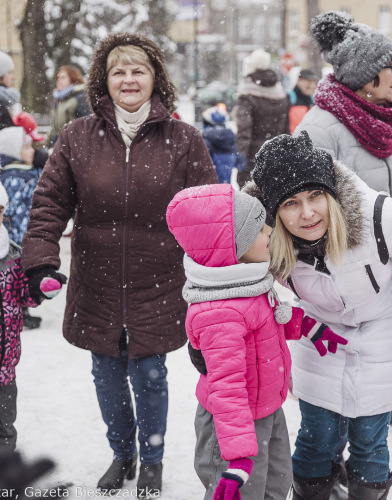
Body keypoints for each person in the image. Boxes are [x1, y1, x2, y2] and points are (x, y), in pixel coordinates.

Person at [20, 32, 217, 496]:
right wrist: (41, 260)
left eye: (138, 70)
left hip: (159, 278)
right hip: (98, 277)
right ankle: (121, 452)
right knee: (106, 374)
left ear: (155, 79)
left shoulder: (183, 140)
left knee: (149, 373)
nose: (129, 79)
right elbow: (49, 203)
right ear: (103, 82)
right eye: (118, 71)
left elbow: (210, 211)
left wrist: (219, 279)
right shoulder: (77, 137)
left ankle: (152, 459)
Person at [250, 131, 392, 499]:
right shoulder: (265, 240)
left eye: (316, 195)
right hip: (319, 338)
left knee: (369, 438)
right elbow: (239, 285)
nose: (307, 213)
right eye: (291, 203)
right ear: (274, 210)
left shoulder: (379, 216)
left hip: (384, 332)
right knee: (317, 437)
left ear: (331, 193)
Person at [166, 183, 347, 500]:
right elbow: (226, 385)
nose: (272, 236)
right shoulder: (220, 311)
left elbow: (270, 320)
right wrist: (236, 458)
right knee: (244, 492)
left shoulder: (249, 281)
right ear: (233, 247)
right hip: (233, 425)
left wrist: (310, 327)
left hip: (266, 408)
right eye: (262, 231)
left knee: (275, 485)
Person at [296, 11, 392, 218]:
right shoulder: (317, 131)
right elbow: (315, 213)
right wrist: (389, 215)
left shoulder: (377, 122)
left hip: (384, 248)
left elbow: (375, 185)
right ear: (364, 75)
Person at [0, 180, 66, 451]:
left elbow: (21, 296)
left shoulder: (12, 255)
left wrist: (40, 289)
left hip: (5, 364)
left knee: (4, 425)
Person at [0, 127, 42, 329]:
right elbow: (14, 211)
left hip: (24, 234)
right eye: (26, 147)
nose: (32, 151)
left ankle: (23, 311)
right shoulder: (14, 176)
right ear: (13, 151)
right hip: (17, 237)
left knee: (21, 276)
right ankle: (20, 312)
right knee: (16, 277)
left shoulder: (24, 171)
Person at [235, 48, 289, 188]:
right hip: (277, 155)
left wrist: (240, 155)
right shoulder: (279, 91)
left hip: (253, 157)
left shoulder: (247, 93)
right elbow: (285, 129)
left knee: (250, 201)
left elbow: (244, 129)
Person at [47, 65, 91, 147]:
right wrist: (47, 144)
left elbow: (87, 125)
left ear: (73, 78)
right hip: (59, 143)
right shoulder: (58, 99)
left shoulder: (80, 97)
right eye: (58, 78)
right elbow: (55, 127)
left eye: (63, 78)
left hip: (74, 145)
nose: (59, 81)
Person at [201, 105, 246, 183]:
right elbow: (241, 162)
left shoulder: (206, 139)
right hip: (225, 187)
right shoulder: (230, 139)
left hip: (210, 187)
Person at [288, 69, 318, 134]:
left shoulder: (314, 102)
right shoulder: (289, 98)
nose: (311, 85)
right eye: (307, 81)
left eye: (313, 82)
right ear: (298, 81)